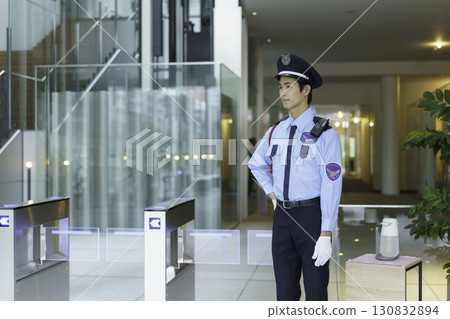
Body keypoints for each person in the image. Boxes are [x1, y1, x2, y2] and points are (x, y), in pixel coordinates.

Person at [248, 54, 342, 301]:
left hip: (311, 217)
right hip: (282, 218)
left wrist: (326, 232)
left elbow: (332, 184)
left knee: (315, 290)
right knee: (285, 292)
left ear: (306, 89)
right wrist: (272, 194)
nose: (283, 92)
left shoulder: (325, 134)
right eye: (280, 86)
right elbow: (256, 165)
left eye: (289, 86)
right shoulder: (275, 131)